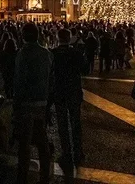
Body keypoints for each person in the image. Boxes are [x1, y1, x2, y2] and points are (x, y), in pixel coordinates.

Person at [14, 23, 53, 184]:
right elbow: (51, 79)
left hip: (27, 102)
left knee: (25, 142)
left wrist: (17, 104)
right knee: (41, 139)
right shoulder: (47, 54)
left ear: (23, 35)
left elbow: (19, 81)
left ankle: (22, 177)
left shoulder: (23, 54)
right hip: (42, 101)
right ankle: (45, 175)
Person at [51, 28, 85, 168]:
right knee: (76, 122)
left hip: (59, 92)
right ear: (69, 37)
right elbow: (85, 69)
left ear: (58, 38)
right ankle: (78, 152)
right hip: (74, 91)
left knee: (62, 124)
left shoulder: (53, 54)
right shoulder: (76, 53)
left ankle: (66, 153)